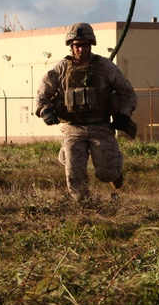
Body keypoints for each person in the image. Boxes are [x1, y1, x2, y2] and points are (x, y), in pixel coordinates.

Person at [35, 22, 138, 203]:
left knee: (107, 172)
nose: (81, 50)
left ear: (91, 45)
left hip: (100, 126)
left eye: (84, 45)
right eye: (77, 45)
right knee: (74, 173)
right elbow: (42, 92)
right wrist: (44, 110)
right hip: (73, 129)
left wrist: (123, 114)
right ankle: (83, 205)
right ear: (71, 46)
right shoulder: (61, 69)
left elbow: (127, 92)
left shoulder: (105, 67)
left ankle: (115, 174)